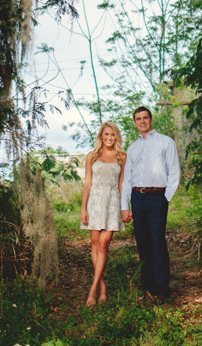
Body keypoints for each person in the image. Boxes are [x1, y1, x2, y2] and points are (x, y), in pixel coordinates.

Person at [120, 106, 180, 300]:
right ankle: (148, 289)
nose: (142, 121)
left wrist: (166, 197)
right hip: (137, 198)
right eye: (138, 119)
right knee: (143, 243)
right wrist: (125, 206)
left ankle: (162, 290)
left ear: (151, 119)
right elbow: (127, 179)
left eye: (145, 118)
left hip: (157, 197)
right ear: (135, 122)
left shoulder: (165, 142)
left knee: (157, 241)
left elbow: (174, 171)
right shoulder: (132, 148)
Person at [80, 121, 127, 306]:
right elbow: (87, 183)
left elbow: (123, 183)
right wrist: (83, 208)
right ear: (101, 136)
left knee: (104, 243)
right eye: (106, 134)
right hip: (95, 201)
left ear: (116, 137)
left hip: (113, 201)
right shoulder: (92, 156)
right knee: (95, 244)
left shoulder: (122, 156)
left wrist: (125, 207)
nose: (109, 138)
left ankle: (92, 290)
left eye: (112, 135)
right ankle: (102, 286)